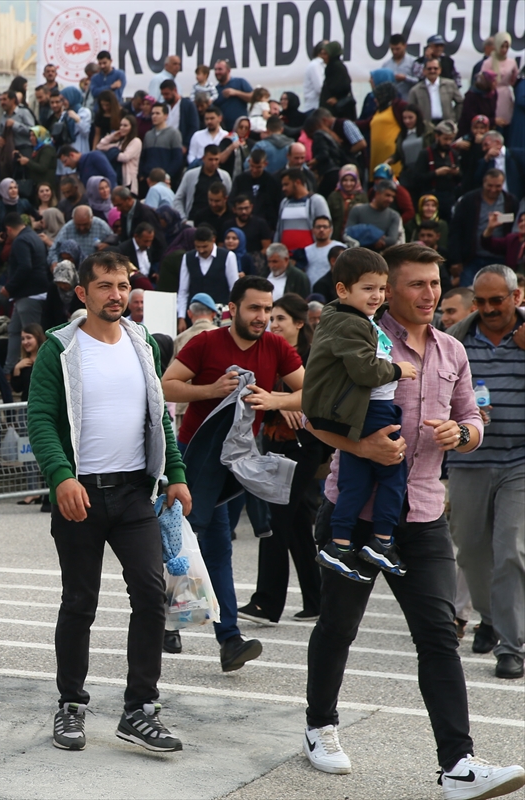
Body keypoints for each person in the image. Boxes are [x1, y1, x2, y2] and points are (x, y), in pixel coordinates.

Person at [300, 244, 525, 798]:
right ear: (384, 289)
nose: (431, 295)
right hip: (354, 515)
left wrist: (462, 435)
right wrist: (362, 445)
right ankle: (320, 725)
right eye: (416, 285)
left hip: (422, 513)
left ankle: (458, 764)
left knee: (438, 638)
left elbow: (473, 416)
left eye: (435, 284)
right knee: (338, 627)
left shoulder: (452, 350)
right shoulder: (360, 337)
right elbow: (311, 412)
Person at [28, 250, 190, 752]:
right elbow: (40, 419)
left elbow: (160, 415)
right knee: (80, 602)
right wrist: (60, 478)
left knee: (150, 594)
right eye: (105, 286)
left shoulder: (143, 343)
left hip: (135, 493)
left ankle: (141, 709)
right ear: (83, 293)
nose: (117, 295)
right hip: (80, 495)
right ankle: (71, 705)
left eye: (123, 285)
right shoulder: (60, 348)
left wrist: (176, 474)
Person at [161, 275, 304, 666]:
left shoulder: (276, 346)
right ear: (233, 310)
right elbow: (166, 386)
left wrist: (275, 398)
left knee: (217, 548)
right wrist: (211, 390)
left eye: (268, 310)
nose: (263, 318)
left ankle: (229, 639)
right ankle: (169, 622)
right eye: (255, 309)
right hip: (194, 455)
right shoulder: (205, 342)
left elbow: (312, 391)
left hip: (235, 459)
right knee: (181, 543)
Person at [302, 249, 417, 581]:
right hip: (374, 410)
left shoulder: (356, 319)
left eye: (381, 289)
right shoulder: (350, 323)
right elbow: (365, 370)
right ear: (343, 290)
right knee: (394, 476)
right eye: (368, 288)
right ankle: (382, 541)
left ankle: (338, 545)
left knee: (356, 481)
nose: (377, 296)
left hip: (360, 411)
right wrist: (399, 369)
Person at [444, 264, 524, 680]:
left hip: (519, 463)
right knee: (472, 551)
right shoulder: (455, 340)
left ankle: (511, 647)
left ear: (517, 296)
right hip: (467, 460)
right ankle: (490, 617)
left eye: (499, 300)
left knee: (511, 549)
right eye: (483, 301)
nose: (491, 309)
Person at [450, 169, 516, 287]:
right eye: (490, 185)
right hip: (471, 258)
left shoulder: (510, 202)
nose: (493, 189)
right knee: (468, 295)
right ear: (483, 183)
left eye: (498, 186)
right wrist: (455, 260)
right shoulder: (468, 200)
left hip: (500, 259)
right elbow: (456, 230)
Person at [1, 215, 49, 371]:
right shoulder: (34, 237)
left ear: (8, 229)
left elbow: (25, 267)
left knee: (32, 336)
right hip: (27, 295)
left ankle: (34, 372)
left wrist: (9, 287)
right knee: (14, 331)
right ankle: (9, 370)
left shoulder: (21, 241)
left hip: (29, 296)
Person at [176, 226, 239, 320]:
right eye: (198, 247)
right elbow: (183, 291)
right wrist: (181, 317)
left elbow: (234, 288)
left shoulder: (228, 256)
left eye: (205, 246)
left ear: (213, 240)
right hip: (195, 314)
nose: (201, 250)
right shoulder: (188, 257)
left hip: (220, 313)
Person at [274, 169, 331, 252]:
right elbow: (278, 229)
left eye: (286, 185)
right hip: (286, 256)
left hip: (310, 255)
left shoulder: (316, 200)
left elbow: (327, 227)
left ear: (297, 182)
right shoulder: (284, 202)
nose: (283, 188)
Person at [408, 59, 460, 125]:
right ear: (424, 71)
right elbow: (410, 109)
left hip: (446, 125)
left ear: (440, 70)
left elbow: (460, 102)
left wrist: (454, 118)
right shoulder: (415, 90)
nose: (432, 71)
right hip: (426, 126)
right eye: (429, 69)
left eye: (435, 68)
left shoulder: (450, 85)